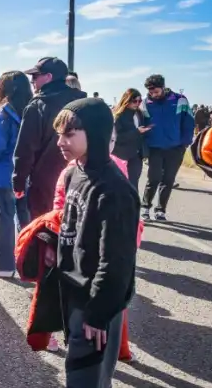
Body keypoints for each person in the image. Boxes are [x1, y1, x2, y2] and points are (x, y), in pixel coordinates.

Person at [51, 98, 138, 387]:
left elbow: (117, 261)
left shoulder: (114, 189)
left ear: (96, 133)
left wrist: (99, 313)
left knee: (86, 379)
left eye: (69, 134)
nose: (60, 141)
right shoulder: (75, 173)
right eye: (59, 134)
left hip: (96, 302)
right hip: (74, 293)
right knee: (79, 371)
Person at [14, 56, 87, 220]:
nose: (32, 81)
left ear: (48, 77)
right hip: (81, 177)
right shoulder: (82, 102)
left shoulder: (37, 106)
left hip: (45, 181)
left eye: (35, 76)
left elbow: (25, 148)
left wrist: (18, 181)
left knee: (45, 229)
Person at [0, 71, 32, 278]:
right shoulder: (31, 109)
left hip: (5, 174)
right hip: (27, 172)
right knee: (26, 221)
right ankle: (27, 264)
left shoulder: (5, 112)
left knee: (4, 220)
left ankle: (4, 266)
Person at [140, 74, 193, 221]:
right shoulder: (145, 103)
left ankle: (160, 210)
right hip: (154, 148)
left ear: (163, 87)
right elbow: (141, 125)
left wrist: (184, 143)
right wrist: (144, 146)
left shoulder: (180, 100)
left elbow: (188, 122)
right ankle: (145, 207)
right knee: (154, 178)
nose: (153, 94)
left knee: (168, 180)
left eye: (155, 91)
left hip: (175, 148)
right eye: (150, 92)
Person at [111, 89, 150, 193]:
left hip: (136, 155)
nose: (137, 104)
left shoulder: (139, 114)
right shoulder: (118, 116)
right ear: (127, 100)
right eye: (134, 101)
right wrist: (136, 132)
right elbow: (117, 137)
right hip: (121, 155)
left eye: (139, 101)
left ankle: (133, 207)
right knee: (121, 184)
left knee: (133, 184)